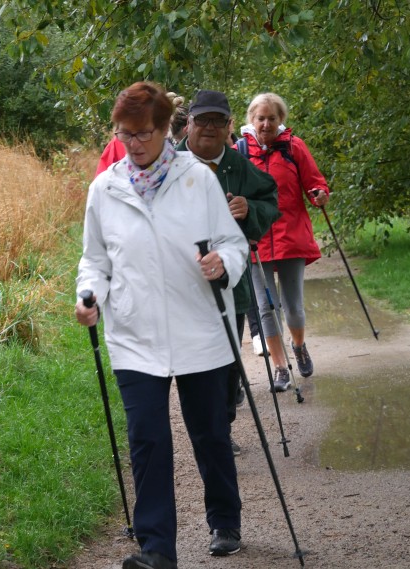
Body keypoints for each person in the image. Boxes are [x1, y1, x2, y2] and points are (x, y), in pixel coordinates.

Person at [75, 82, 248, 568]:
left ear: (167, 128)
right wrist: (88, 297)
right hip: (135, 335)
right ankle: (156, 550)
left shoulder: (197, 179)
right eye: (125, 134)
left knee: (210, 432)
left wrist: (223, 264)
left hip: (202, 331)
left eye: (144, 133)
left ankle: (225, 519)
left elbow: (235, 246)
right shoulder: (104, 188)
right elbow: (95, 261)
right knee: (147, 439)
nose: (134, 143)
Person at [176, 90, 280, 456]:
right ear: (188, 123)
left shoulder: (238, 165)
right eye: (202, 120)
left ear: (228, 126)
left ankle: (220, 431)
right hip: (179, 286)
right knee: (191, 363)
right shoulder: (168, 163)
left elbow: (271, 200)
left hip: (230, 285)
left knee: (228, 361)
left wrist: (249, 208)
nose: (208, 128)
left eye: (217, 121)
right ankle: (203, 430)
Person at [239, 92, 330, 391]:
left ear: (281, 120)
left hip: (291, 235)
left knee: (293, 307)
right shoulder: (240, 151)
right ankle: (279, 367)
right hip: (257, 239)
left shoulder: (294, 146)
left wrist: (319, 194)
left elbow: (314, 182)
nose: (266, 124)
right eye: (260, 118)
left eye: (272, 118)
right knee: (266, 307)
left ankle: (299, 345)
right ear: (251, 120)